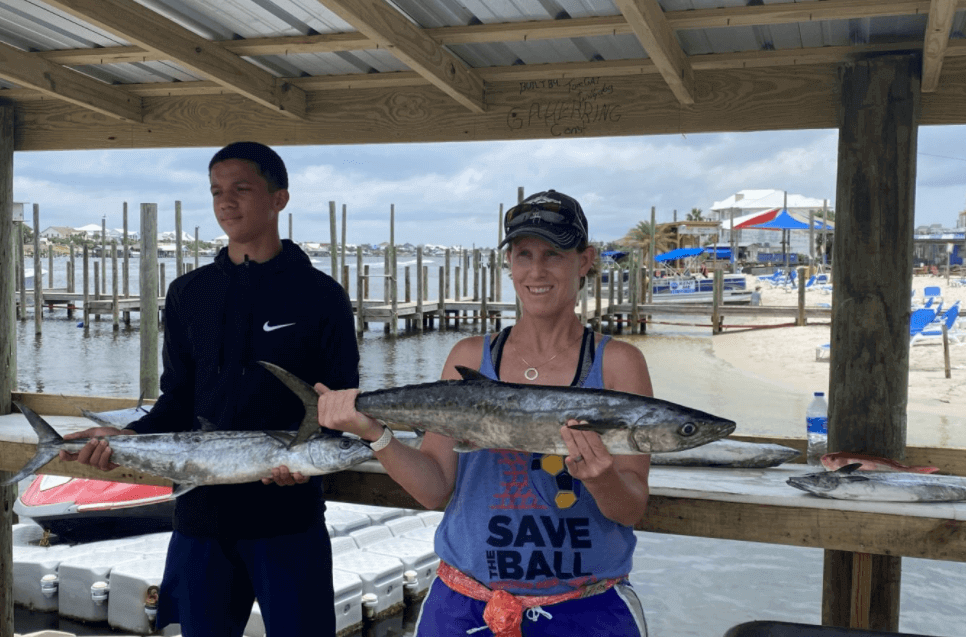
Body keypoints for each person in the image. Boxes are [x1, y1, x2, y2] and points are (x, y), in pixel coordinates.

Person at [58, 141, 360, 637]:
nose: (226, 202)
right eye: (217, 191)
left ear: (279, 198)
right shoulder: (188, 294)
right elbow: (176, 400)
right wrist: (127, 438)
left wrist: (308, 463)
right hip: (200, 518)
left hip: (288, 518)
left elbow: (339, 403)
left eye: (241, 189)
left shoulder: (321, 296)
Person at [318, 189, 652, 636]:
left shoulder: (617, 363)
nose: (536, 270)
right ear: (510, 265)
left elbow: (630, 509)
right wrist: (374, 433)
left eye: (553, 254)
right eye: (523, 255)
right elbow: (436, 489)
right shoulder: (472, 356)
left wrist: (601, 477)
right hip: (465, 608)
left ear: (585, 259)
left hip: (584, 610)